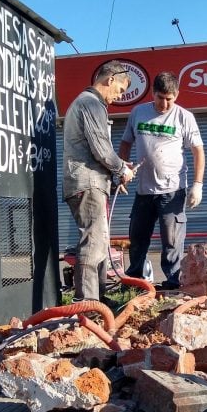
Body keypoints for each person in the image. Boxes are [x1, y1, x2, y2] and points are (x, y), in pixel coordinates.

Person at [118, 71, 205, 290]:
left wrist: (198, 184)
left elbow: (198, 151)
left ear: (176, 95)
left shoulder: (184, 117)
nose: (165, 104)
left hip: (173, 191)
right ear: (153, 93)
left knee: (172, 240)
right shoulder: (138, 112)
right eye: (160, 97)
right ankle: (134, 280)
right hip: (143, 190)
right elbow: (126, 143)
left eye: (170, 98)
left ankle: (173, 282)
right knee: (137, 238)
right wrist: (121, 169)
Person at [62, 60, 134, 303]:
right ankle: (86, 304)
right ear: (110, 79)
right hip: (87, 182)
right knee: (93, 241)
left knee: (100, 242)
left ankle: (98, 298)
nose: (119, 96)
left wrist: (114, 176)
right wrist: (122, 168)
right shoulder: (92, 104)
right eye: (121, 90)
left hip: (90, 181)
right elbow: (101, 149)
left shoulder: (84, 103)